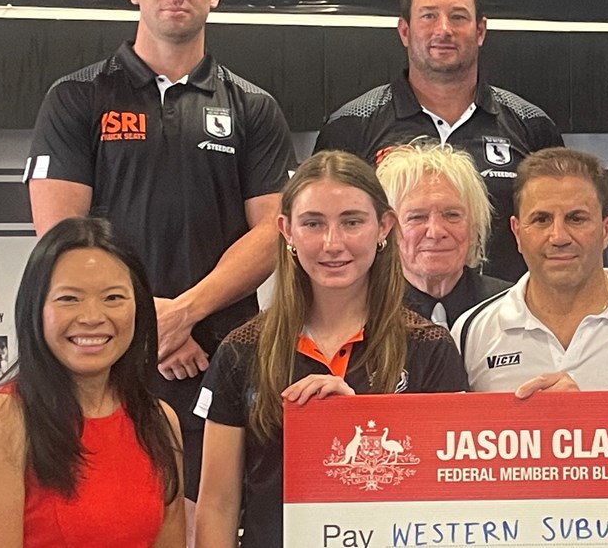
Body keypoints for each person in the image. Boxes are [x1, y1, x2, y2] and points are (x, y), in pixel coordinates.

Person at [23, 0, 294, 505]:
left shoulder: (254, 107)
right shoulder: (77, 97)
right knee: (111, 512)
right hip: (107, 350)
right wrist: (147, 321)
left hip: (217, 352)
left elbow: (274, 234)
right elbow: (62, 238)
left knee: (210, 519)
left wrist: (186, 313)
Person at [194, 151, 469, 548]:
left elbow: (447, 496)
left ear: (384, 227)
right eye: (313, 223)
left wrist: (352, 416)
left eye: (352, 222)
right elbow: (218, 504)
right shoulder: (241, 350)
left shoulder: (430, 347)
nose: (332, 243)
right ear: (286, 230)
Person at [319, 0, 562, 282]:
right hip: (384, 319)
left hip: (504, 321)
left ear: (480, 31)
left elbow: (555, 230)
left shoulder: (532, 126)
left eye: (458, 17)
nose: (443, 29)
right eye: (429, 16)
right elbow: (327, 237)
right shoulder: (351, 126)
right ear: (405, 31)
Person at [0, 217, 185, 547]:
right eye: (69, 299)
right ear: (36, 309)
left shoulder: (160, 421)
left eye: (113, 298)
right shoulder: (5, 420)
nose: (92, 317)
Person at [455, 148, 608, 395]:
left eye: (576, 219)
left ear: (607, 230)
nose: (559, 237)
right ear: (517, 232)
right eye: (541, 219)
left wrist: (580, 417)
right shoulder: (471, 333)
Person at [375, 139, 513, 327]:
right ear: (387, 229)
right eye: (417, 217)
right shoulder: (366, 313)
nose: (436, 232)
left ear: (474, 225)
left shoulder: (512, 307)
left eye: (452, 215)